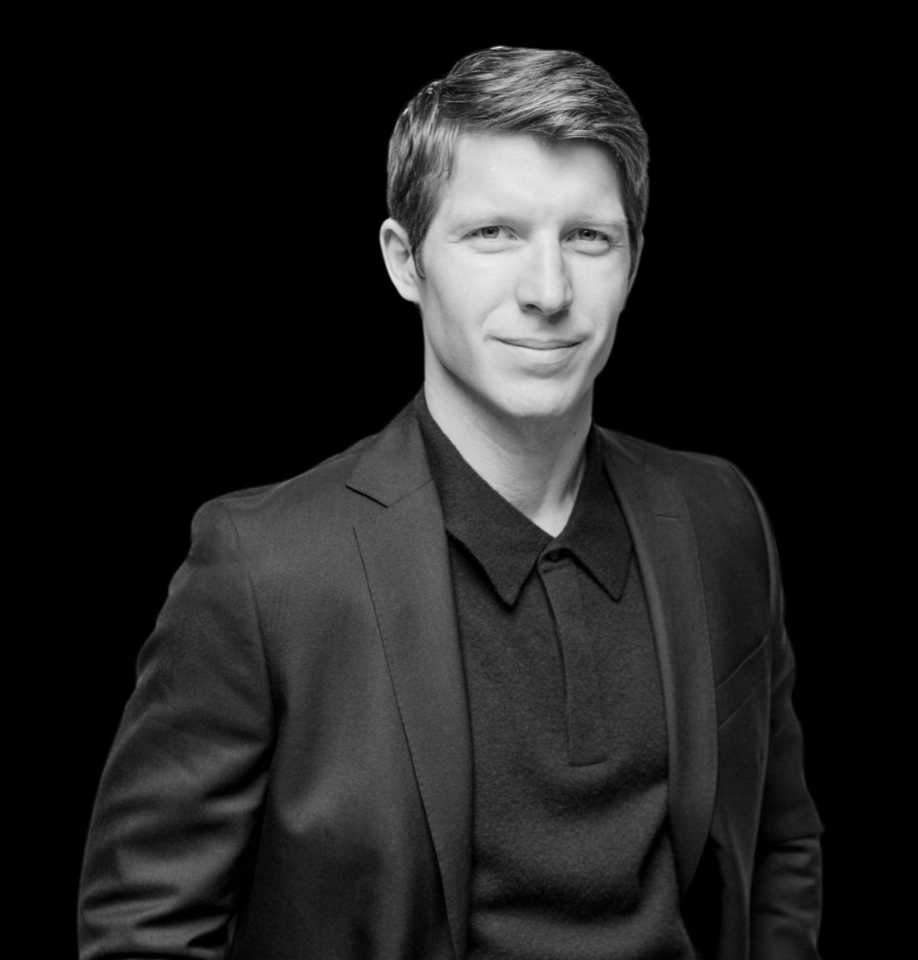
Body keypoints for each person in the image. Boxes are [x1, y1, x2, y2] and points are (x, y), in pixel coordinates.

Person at [78, 46, 823, 959]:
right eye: (493, 234)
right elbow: (143, 932)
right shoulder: (266, 567)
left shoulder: (721, 516)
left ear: (633, 262)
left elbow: (778, 844)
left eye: (588, 237)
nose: (547, 291)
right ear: (405, 261)